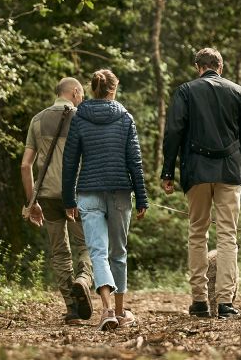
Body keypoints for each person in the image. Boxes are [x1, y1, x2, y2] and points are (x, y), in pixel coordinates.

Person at [161, 48, 241, 319]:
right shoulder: (238, 92)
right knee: (228, 235)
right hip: (229, 171)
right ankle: (225, 302)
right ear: (220, 67)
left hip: (196, 171)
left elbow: (173, 132)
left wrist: (168, 172)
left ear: (198, 67)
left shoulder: (185, 91)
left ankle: (200, 301)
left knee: (197, 233)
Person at [62, 69, 149, 331]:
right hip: (120, 191)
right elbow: (134, 162)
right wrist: (142, 197)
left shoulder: (79, 118)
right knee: (118, 253)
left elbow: (70, 161)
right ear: (114, 89)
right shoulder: (125, 118)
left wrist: (68, 199)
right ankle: (120, 312)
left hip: (88, 192)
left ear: (93, 89)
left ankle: (107, 310)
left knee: (98, 252)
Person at [20, 77, 94, 325]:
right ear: (75, 92)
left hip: (47, 195)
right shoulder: (82, 118)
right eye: (81, 95)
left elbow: (25, 166)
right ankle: (83, 280)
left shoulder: (37, 120)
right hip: (77, 194)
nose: (82, 99)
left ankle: (72, 308)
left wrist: (32, 201)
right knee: (87, 245)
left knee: (60, 250)